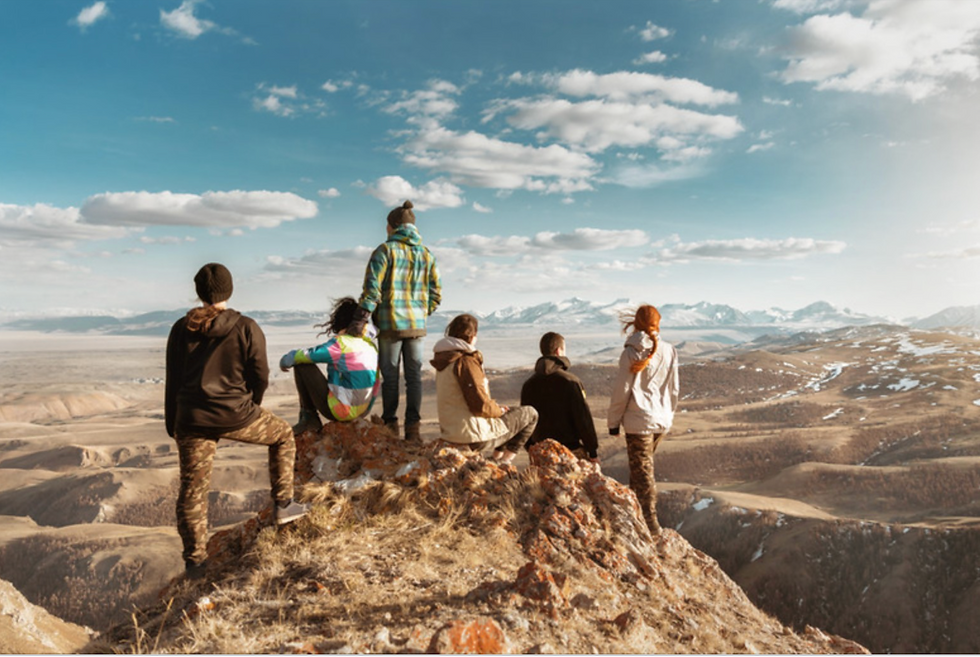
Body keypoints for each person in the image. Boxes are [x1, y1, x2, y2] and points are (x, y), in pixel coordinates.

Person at [165, 263, 309, 579]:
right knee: (283, 434)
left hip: (190, 418)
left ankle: (195, 563)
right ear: (229, 291)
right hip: (236, 413)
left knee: (192, 489)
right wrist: (249, 407)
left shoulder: (181, 328)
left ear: (199, 293)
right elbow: (260, 375)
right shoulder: (246, 327)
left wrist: (173, 423)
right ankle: (284, 503)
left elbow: (173, 379)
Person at [347, 200, 441, 443]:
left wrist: (360, 319)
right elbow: (436, 293)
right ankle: (414, 430)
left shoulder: (384, 251)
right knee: (414, 378)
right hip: (416, 326)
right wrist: (420, 311)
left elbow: (372, 290)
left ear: (391, 226)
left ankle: (390, 426)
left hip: (389, 325)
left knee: (390, 378)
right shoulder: (427, 254)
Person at [607, 304, 679, 535]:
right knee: (640, 472)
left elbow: (622, 390)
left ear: (636, 323)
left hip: (640, 421)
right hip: (661, 419)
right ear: (658, 324)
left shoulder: (631, 352)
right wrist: (668, 415)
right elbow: (674, 389)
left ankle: (650, 524)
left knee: (643, 474)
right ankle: (637, 516)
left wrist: (613, 422)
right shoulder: (669, 351)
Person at [431, 314, 538, 464]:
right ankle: (504, 461)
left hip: (451, 433)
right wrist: (498, 411)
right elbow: (479, 405)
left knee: (508, 414)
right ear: (472, 336)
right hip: (473, 437)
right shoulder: (465, 361)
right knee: (531, 414)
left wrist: (496, 409)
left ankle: (496, 456)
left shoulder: (445, 360)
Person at [279, 296, 381, 434]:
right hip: (363, 411)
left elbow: (308, 355)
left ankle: (309, 418)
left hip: (342, 411)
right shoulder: (370, 345)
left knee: (302, 365)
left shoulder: (341, 343)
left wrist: (287, 359)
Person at [521, 332, 599, 462]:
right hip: (570, 451)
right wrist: (592, 451)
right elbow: (582, 418)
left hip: (541, 452)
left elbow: (525, 420)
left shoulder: (528, 385)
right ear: (558, 351)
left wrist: (530, 447)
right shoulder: (570, 381)